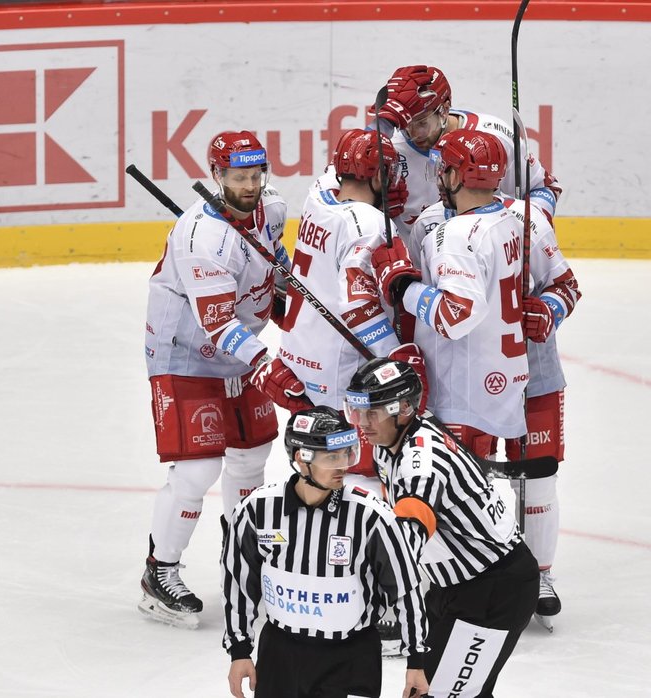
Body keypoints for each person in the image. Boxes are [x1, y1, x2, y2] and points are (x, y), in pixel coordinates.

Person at [138, 130, 303, 628]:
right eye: (238, 177)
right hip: (185, 353)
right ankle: (158, 572)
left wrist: (293, 305)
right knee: (197, 470)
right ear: (217, 176)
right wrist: (267, 364)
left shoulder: (271, 210)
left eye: (256, 175)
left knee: (251, 458)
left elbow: (278, 277)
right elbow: (217, 323)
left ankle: (244, 563)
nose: (250, 185)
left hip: (238, 352)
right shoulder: (202, 238)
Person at [411, 190, 582, 629]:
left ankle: (539, 574)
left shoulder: (527, 220)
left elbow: (566, 284)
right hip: (462, 385)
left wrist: (548, 309)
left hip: (534, 374)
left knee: (539, 481)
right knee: (464, 487)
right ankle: (465, 578)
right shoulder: (428, 223)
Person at [344, 359, 539, 697]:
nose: (362, 423)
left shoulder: (420, 463)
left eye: (372, 413)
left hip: (494, 590)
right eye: (357, 411)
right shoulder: (392, 442)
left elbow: (411, 528)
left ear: (403, 409)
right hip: (453, 585)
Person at [222, 406, 429, 698]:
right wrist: (240, 650)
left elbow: (406, 590)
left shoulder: (371, 516)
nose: (343, 465)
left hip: (351, 658)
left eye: (347, 454)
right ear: (301, 459)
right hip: (280, 655)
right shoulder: (257, 510)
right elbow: (238, 583)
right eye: (332, 457)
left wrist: (416, 660)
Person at [256, 128, 424, 487]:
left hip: (300, 359)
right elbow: (356, 305)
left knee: (316, 474)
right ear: (377, 175)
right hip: (341, 375)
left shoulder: (317, 195)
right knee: (359, 477)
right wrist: (395, 361)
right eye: (388, 174)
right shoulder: (368, 223)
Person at [371, 129, 529, 460]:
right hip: (498, 387)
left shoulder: (456, 234)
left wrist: (402, 287)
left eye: (443, 170)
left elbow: (455, 317)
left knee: (447, 502)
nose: (439, 178)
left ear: (457, 174)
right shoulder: (508, 220)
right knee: (473, 493)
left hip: (461, 394)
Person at [374, 64, 562, 245]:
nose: (413, 134)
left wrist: (529, 229)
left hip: (485, 263)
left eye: (421, 123)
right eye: (406, 124)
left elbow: (544, 189)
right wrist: (376, 206)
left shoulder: (492, 138)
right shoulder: (388, 148)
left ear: (444, 109)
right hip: (419, 269)